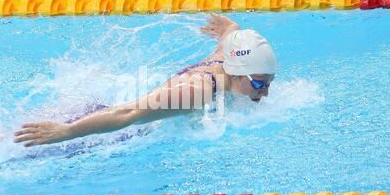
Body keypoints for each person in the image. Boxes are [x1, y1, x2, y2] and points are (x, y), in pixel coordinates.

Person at [14, 13, 277, 147]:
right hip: (110, 132)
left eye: (268, 83)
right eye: (258, 84)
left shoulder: (228, 57)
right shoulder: (197, 92)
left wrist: (229, 28)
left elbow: (232, 33)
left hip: (101, 112)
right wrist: (66, 131)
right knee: (15, 146)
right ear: (236, 71)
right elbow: (129, 113)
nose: (265, 93)